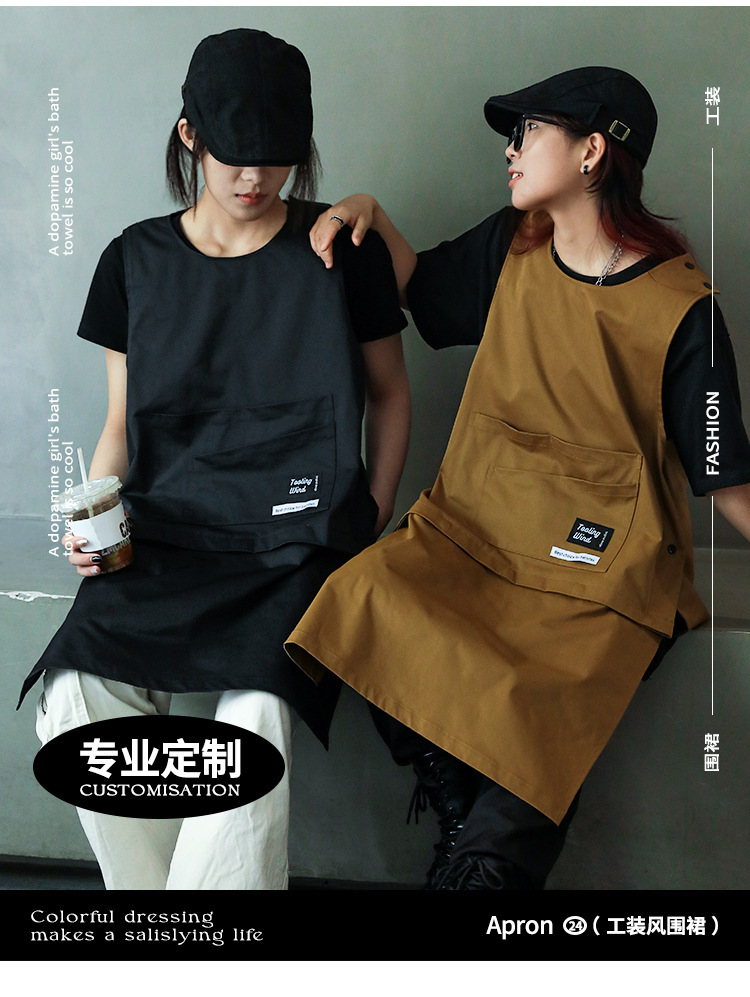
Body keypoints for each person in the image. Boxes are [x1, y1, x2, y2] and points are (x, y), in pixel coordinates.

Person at [285, 66, 750, 889]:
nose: (511, 149)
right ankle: (461, 818)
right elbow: (422, 287)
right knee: (361, 600)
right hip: (480, 524)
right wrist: (369, 215)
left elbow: (727, 477)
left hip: (607, 568)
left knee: (540, 717)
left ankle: (479, 872)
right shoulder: (513, 246)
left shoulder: (683, 310)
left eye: (529, 131)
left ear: (592, 151)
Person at [19, 28, 410, 890]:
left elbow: (389, 393)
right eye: (236, 154)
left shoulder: (342, 250)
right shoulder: (134, 261)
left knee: (259, 710)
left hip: (296, 544)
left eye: (276, 157)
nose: (256, 178)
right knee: (75, 696)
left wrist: (373, 510)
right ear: (190, 135)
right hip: (167, 533)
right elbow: (121, 423)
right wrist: (96, 517)